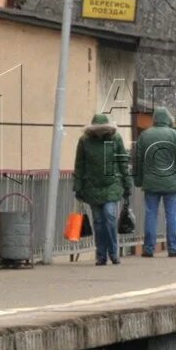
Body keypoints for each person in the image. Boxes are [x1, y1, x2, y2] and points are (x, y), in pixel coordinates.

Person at [132, 106, 176, 257]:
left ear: (155, 119)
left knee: (151, 214)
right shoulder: (173, 135)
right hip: (172, 182)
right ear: (167, 119)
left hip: (151, 182)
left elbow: (137, 160)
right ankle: (173, 248)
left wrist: (138, 180)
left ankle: (149, 248)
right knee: (171, 215)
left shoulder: (145, 135)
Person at [74, 112, 131, 266]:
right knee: (99, 222)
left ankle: (113, 252)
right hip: (92, 185)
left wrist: (127, 182)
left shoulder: (115, 139)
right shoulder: (85, 141)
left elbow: (122, 162)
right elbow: (79, 164)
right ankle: (101, 255)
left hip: (110, 184)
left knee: (109, 216)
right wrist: (78, 185)